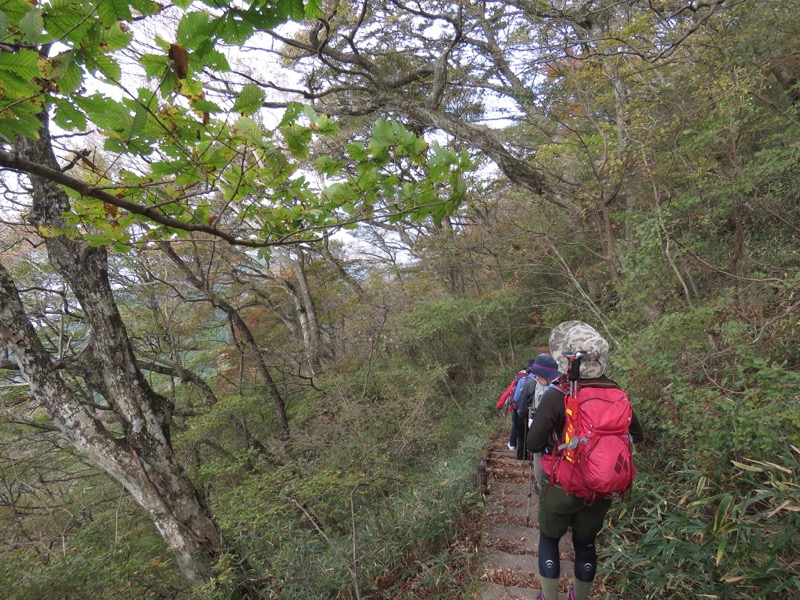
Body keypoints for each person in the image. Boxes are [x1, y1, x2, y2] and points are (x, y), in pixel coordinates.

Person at [527, 321, 644, 600]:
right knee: (585, 543)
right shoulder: (618, 395)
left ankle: (549, 597)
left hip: (562, 486)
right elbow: (636, 436)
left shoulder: (560, 394)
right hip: (603, 487)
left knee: (549, 539)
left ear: (567, 360)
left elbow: (533, 443)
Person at [516, 353, 561, 490]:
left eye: (538, 374)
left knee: (537, 452)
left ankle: (540, 485)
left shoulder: (552, 392)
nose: (536, 377)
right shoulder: (561, 386)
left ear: (546, 375)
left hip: (550, 436)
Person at [496, 368, 527, 451]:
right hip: (527, 407)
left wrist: (499, 405)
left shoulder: (517, 379)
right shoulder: (531, 378)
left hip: (516, 407)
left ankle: (512, 444)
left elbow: (507, 393)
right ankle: (524, 447)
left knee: (515, 425)